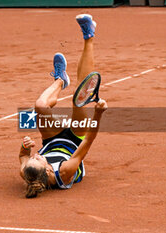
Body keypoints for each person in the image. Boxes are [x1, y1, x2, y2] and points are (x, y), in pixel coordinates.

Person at [19, 14, 107, 198]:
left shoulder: (27, 172)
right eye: (37, 159)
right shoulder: (65, 172)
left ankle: (60, 80)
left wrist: (25, 148)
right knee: (79, 97)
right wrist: (98, 114)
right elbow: (88, 141)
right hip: (75, 141)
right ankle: (89, 35)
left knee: (40, 106)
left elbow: (23, 157)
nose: (35, 156)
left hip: (51, 141)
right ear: (48, 171)